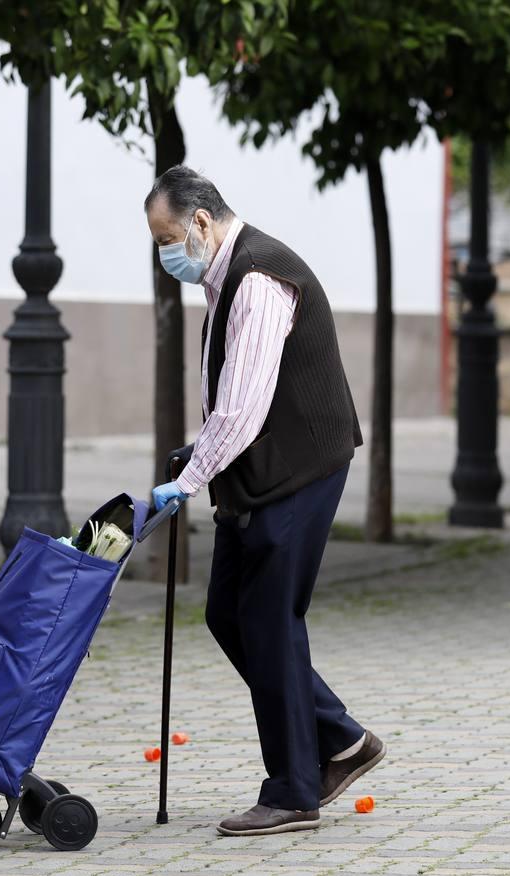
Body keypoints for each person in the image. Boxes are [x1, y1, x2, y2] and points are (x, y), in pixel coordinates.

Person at [144, 165, 386, 836]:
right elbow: (231, 401)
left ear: (198, 222)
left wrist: (189, 479)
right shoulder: (226, 278)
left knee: (269, 621)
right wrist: (195, 458)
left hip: (298, 468)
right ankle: (340, 741)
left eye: (166, 236)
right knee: (231, 614)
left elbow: (243, 408)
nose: (165, 253)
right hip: (264, 472)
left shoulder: (256, 279)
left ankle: (291, 792)